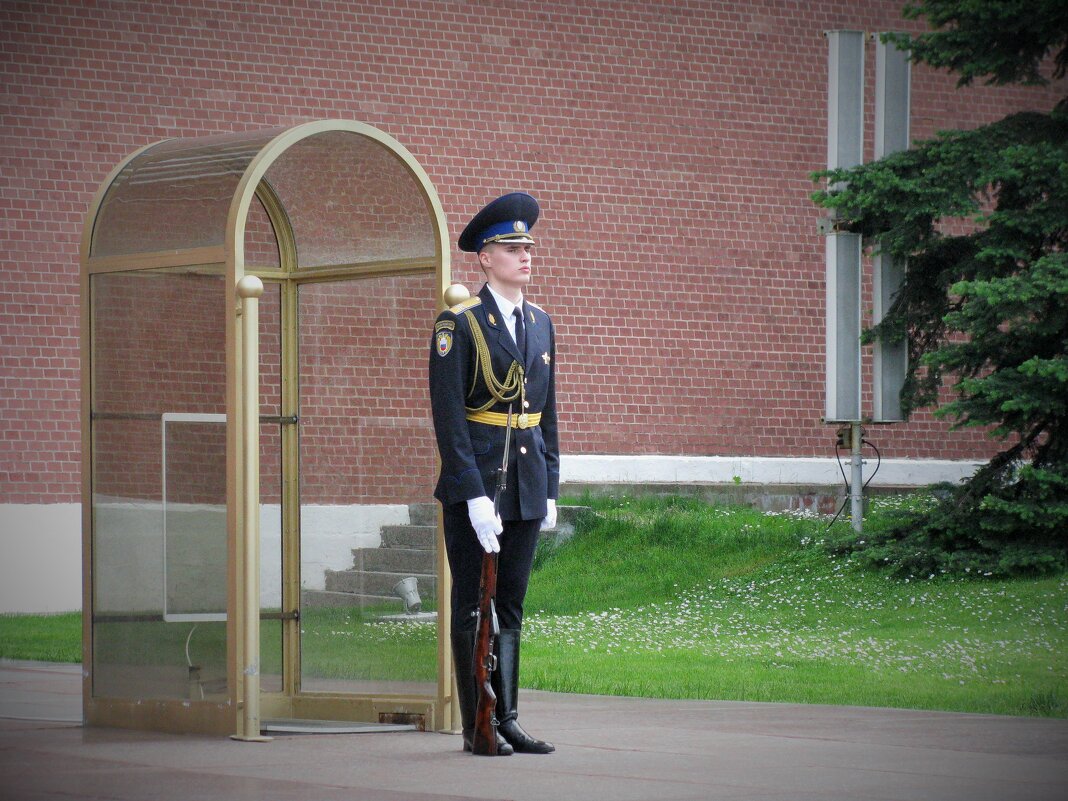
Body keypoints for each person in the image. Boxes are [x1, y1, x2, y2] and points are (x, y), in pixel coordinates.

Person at [429, 192, 559, 756]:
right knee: (472, 606)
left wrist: (550, 486)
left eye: (527, 246)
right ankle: (474, 725)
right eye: (511, 247)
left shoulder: (540, 322)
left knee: (510, 606)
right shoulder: (459, 323)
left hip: (526, 484)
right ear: (485, 257)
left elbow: (547, 413)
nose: (524, 255)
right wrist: (472, 493)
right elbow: (449, 415)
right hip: (479, 486)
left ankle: (507, 717)